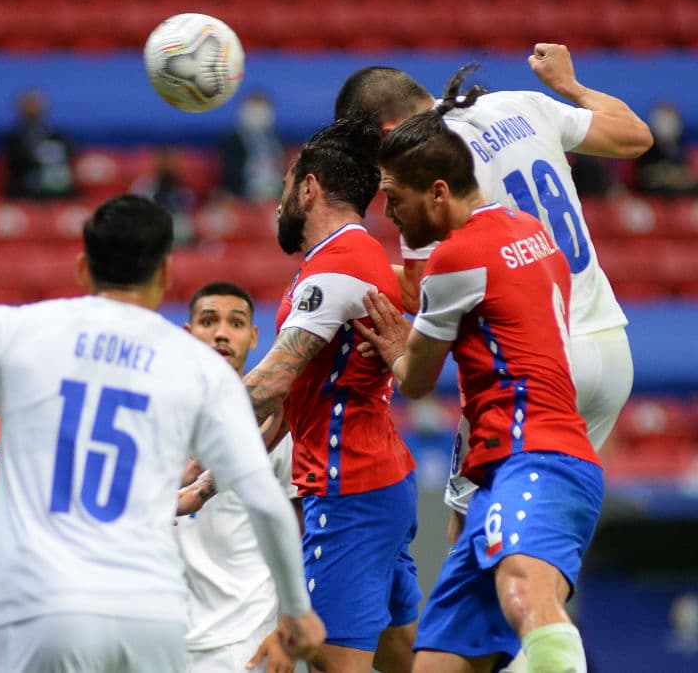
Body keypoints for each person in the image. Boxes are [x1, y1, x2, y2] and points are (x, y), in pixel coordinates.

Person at [0, 194, 324, 672]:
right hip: (150, 613)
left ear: (82, 269)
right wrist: (298, 611)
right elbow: (263, 499)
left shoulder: (22, 329)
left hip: (49, 610)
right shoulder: (198, 366)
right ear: (166, 274)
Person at [335, 43, 651, 526]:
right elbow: (634, 137)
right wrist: (571, 87)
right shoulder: (517, 103)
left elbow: (425, 293)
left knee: (476, 533)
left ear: (386, 134)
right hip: (610, 352)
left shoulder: (422, 163)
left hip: (534, 365)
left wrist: (344, 278)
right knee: (539, 531)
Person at [356, 95, 605, 673]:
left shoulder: (456, 256)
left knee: (526, 595)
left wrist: (395, 346)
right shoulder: (530, 231)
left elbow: (416, 380)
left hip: (535, 459)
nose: (389, 213)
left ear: (438, 193)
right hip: (515, 468)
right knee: (437, 663)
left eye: (395, 198)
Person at [240, 117, 420, 673]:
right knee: (400, 658)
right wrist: (200, 481)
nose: (278, 202)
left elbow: (268, 383)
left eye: (287, 183)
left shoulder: (338, 267)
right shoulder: (341, 262)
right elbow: (295, 399)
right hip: (377, 477)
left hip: (348, 491)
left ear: (309, 187)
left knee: (326, 659)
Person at [175, 281, 300, 673]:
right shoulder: (155, 423)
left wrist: (286, 629)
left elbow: (301, 538)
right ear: (188, 334)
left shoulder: (279, 429)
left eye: (236, 322)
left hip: (243, 642)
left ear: (254, 335)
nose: (222, 333)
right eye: (208, 321)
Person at [1, 89, 76, 199]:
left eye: (36, 103)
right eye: (29, 104)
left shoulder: (59, 137)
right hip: (22, 192)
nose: (33, 108)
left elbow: (69, 157)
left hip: (57, 192)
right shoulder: (11, 140)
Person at [219, 92, 285, 202]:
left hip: (275, 188)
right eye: (254, 110)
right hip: (245, 191)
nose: (258, 114)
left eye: (261, 110)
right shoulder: (232, 140)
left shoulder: (276, 138)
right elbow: (228, 171)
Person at [635, 101, 698, 197]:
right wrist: (666, 175)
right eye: (663, 119)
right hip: (651, 196)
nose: (667, 124)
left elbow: (687, 174)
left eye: (670, 119)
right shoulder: (646, 145)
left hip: (680, 196)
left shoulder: (680, 145)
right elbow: (643, 176)